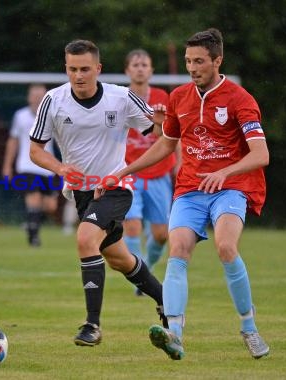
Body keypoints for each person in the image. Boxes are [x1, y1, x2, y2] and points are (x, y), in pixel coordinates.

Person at [101, 28, 270, 360]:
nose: (193, 68)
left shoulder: (240, 99)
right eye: (189, 61)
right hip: (190, 189)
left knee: (225, 246)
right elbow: (166, 144)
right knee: (177, 249)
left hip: (230, 188)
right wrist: (124, 170)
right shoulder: (178, 97)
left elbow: (261, 154)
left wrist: (224, 171)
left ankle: (249, 329)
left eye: (200, 61)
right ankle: (174, 334)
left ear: (217, 60)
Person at [29, 39, 168, 347]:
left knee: (84, 238)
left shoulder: (121, 98)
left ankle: (92, 325)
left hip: (115, 188)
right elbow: (35, 151)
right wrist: (60, 168)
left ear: (98, 69)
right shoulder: (53, 100)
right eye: (72, 69)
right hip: (80, 194)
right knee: (119, 259)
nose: (78, 76)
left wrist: (160, 124)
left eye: (85, 69)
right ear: (66, 68)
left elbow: (158, 135)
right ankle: (165, 300)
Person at [122, 49, 178, 296]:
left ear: (152, 70)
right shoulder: (120, 99)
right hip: (131, 172)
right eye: (135, 64)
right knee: (132, 226)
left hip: (159, 172)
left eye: (145, 64)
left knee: (161, 234)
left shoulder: (162, 97)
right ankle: (140, 280)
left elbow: (175, 133)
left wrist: (181, 161)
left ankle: (148, 267)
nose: (140, 68)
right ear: (127, 71)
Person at [2, 84, 59, 247]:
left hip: (48, 166)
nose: (37, 98)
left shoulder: (53, 115)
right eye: (34, 95)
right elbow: (13, 141)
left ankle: (31, 223)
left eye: (41, 95)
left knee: (51, 206)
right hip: (27, 165)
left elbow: (62, 141)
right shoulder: (20, 116)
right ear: (29, 97)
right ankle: (34, 238)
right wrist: (7, 166)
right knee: (33, 200)